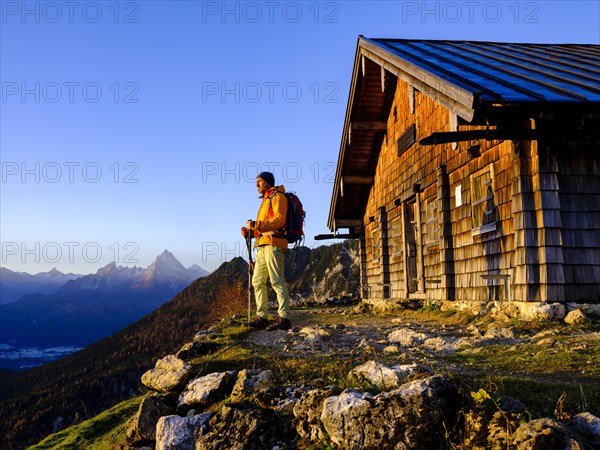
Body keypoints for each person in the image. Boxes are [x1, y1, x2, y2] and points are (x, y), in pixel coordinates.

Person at [241, 171, 292, 331]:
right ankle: (262, 317)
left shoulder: (278, 197)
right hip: (263, 245)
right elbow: (263, 226)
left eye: (260, 181)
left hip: (274, 244)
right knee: (257, 281)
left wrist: (257, 225)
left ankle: (284, 318)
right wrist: (251, 232)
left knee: (277, 280)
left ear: (268, 182)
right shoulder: (265, 201)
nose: (257, 184)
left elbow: (279, 220)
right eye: (256, 181)